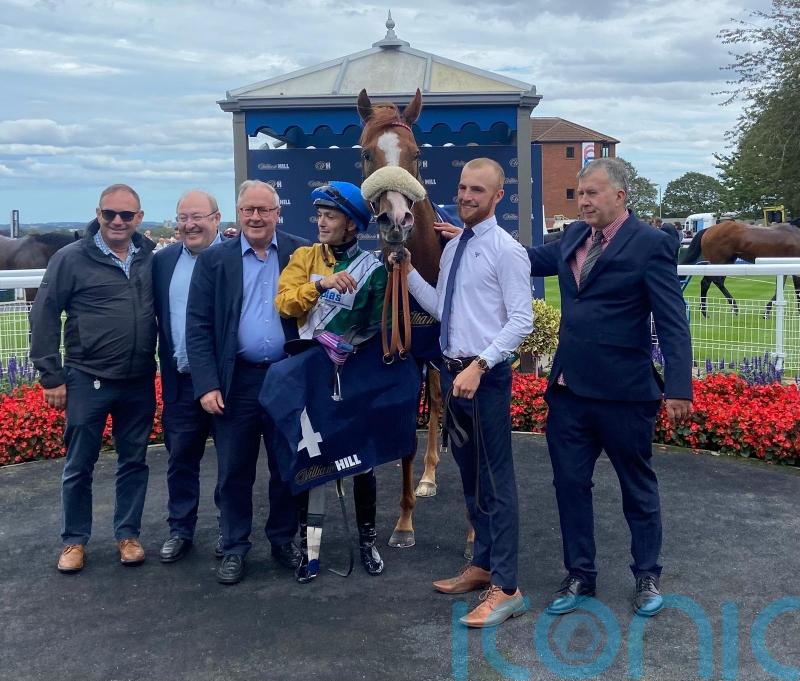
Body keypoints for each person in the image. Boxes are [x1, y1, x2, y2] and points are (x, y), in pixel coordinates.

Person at [527, 158, 692, 617]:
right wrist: (470, 240)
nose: (583, 201)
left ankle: (647, 575)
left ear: (621, 196)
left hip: (625, 394)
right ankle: (580, 574)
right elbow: (522, 258)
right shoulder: (573, 238)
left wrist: (679, 387)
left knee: (636, 487)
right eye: (580, 194)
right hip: (569, 393)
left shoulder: (651, 244)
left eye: (593, 193)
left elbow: (672, 321)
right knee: (570, 486)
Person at [393, 158, 534, 628]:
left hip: (484, 379)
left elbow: (521, 321)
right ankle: (483, 566)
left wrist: (480, 364)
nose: (467, 196)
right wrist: (411, 271)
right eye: (462, 187)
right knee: (472, 481)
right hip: (456, 377)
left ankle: (508, 587)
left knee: (498, 484)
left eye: (478, 190)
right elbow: (441, 306)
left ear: (498, 197)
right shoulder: (455, 248)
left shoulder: (506, 250)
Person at [29, 184, 157, 573]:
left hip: (137, 379)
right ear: (97, 214)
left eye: (126, 215)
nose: (117, 221)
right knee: (79, 464)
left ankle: (128, 535)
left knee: (134, 461)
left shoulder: (151, 258)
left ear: (139, 217)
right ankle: (73, 541)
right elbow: (45, 314)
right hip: (88, 377)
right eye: (109, 214)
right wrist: (51, 376)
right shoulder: (71, 258)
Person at [185, 179, 307, 585]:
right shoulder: (215, 261)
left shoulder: (300, 253)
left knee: (287, 467)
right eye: (248, 210)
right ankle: (234, 545)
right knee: (234, 470)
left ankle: (282, 539)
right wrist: (207, 384)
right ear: (239, 214)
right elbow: (198, 327)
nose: (255, 217)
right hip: (236, 382)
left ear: (277, 213)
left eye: (263, 210)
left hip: (286, 379)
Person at [274, 181, 386, 583]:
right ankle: (312, 551)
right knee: (313, 463)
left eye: (330, 216)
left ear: (352, 225)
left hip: (354, 374)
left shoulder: (374, 268)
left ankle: (367, 541)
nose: (321, 222)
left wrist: (350, 345)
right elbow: (284, 301)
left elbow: (378, 324)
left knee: (362, 464)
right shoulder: (304, 257)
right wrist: (320, 284)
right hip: (312, 373)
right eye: (319, 215)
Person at [152, 190, 223, 563]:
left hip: (225, 383)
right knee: (180, 459)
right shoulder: (162, 262)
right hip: (181, 379)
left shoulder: (233, 259)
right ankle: (180, 529)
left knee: (229, 463)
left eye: (197, 217)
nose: (189, 225)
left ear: (216, 218)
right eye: (183, 218)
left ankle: (229, 530)